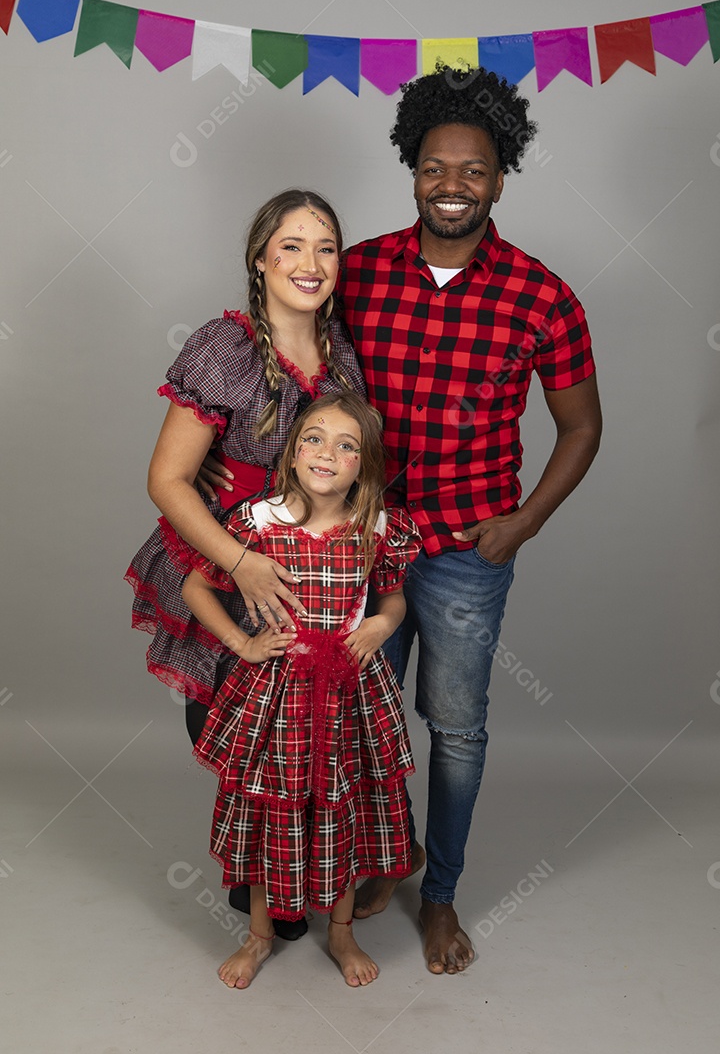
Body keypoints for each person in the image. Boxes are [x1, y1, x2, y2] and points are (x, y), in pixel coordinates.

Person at [201, 66, 602, 976]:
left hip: (466, 550)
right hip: (354, 548)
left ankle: (442, 894)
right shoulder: (363, 270)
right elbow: (291, 363)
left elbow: (581, 426)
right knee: (349, 722)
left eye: (473, 170)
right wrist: (235, 445)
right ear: (411, 171)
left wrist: (524, 522)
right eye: (433, 167)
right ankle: (379, 862)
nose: (451, 184)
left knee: (453, 726)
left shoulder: (543, 295)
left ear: (501, 178)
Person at [125, 188, 365, 939]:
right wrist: (242, 561)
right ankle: (258, 884)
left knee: (297, 729)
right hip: (228, 562)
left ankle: (295, 876)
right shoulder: (223, 348)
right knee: (238, 729)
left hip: (305, 571)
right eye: (291, 245)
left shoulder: (342, 359)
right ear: (260, 261)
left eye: (325, 247)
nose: (310, 261)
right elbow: (166, 479)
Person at [181, 392, 421, 989]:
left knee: (344, 803)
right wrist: (242, 644)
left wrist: (382, 625)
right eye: (313, 438)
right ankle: (260, 934)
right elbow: (195, 588)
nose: (327, 453)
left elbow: (392, 597)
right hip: (277, 694)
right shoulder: (255, 524)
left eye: (347, 446)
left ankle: (341, 930)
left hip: (351, 693)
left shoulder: (378, 528)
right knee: (272, 807)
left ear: (364, 465)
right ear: (291, 453)